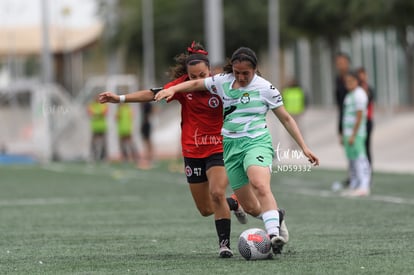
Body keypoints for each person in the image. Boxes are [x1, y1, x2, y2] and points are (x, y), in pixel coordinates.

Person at [155, 46, 319, 255]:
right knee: (250, 207)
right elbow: (196, 83)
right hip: (231, 147)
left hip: (256, 142)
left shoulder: (265, 88)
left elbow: (286, 118)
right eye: (237, 72)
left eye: (246, 73)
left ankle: (272, 236)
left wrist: (304, 147)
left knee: (259, 183)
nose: (241, 77)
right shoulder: (222, 81)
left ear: (255, 70)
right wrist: (173, 89)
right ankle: (276, 216)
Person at [98, 42, 247, 258]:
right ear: (186, 76)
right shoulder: (181, 87)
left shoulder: (221, 84)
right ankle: (234, 202)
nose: (197, 81)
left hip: (218, 146)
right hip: (192, 151)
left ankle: (224, 245)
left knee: (216, 192)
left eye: (202, 75)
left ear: (210, 71)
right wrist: (119, 99)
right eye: (193, 77)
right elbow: (152, 93)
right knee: (205, 209)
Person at [341, 71, 371, 197]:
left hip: (357, 133)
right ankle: (354, 184)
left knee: (360, 158)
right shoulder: (349, 95)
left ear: (356, 81)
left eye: (351, 81)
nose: (348, 84)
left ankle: (364, 185)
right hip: (348, 133)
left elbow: (359, 116)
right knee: (352, 159)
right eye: (347, 82)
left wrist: (353, 134)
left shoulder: (360, 94)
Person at [356, 67, 374, 166]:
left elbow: (367, 101)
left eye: (363, 74)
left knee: (366, 148)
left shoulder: (369, 89)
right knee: (357, 149)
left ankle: (368, 173)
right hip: (357, 122)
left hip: (367, 121)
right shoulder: (356, 90)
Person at [87, 95, 108, 161]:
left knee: (104, 143)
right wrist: (99, 113)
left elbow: (104, 112)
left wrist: (96, 113)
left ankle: (103, 157)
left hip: (102, 127)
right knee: (93, 143)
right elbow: (90, 112)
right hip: (95, 127)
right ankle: (93, 156)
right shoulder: (92, 105)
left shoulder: (103, 105)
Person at [139, 102, 154, 169]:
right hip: (146, 123)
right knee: (147, 141)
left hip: (146, 124)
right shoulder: (145, 104)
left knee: (147, 141)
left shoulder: (147, 104)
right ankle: (148, 157)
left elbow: (150, 112)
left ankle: (149, 158)